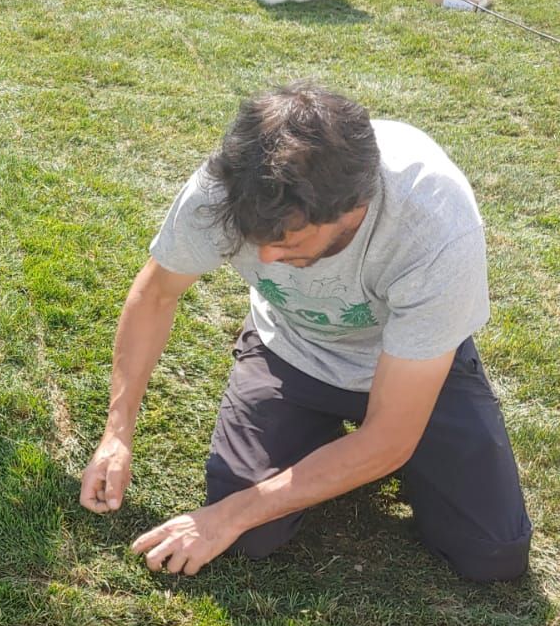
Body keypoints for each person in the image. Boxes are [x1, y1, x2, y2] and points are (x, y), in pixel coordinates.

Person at [80, 81, 531, 582]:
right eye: (258, 240)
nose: (269, 259)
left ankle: (381, 462)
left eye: (289, 240)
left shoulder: (433, 224)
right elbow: (156, 294)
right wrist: (116, 434)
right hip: (291, 350)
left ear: (355, 208)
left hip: (411, 365)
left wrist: (227, 516)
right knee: (250, 539)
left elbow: (389, 438)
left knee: (494, 555)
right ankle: (334, 450)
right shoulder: (224, 188)